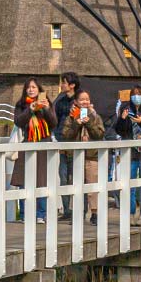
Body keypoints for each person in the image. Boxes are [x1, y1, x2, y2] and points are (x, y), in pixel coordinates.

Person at [10, 79, 55, 222]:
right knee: (24, 179)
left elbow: (53, 123)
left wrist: (46, 109)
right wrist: (30, 109)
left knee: (41, 179)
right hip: (27, 143)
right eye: (28, 87)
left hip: (43, 143)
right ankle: (24, 214)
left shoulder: (46, 103)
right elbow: (18, 121)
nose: (31, 89)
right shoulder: (21, 105)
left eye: (34, 87)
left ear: (39, 89)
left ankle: (40, 214)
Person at [59, 89, 107, 224]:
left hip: (92, 156)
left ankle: (95, 213)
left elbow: (100, 135)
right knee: (76, 186)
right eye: (82, 100)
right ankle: (78, 213)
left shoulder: (95, 116)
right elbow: (66, 135)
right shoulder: (71, 117)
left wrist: (89, 122)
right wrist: (77, 123)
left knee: (92, 186)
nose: (85, 102)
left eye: (87, 99)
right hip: (75, 156)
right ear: (76, 102)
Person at [51, 73, 81, 219]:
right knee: (63, 176)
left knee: (76, 178)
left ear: (72, 85)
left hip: (75, 144)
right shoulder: (60, 101)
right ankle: (67, 211)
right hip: (62, 143)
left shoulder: (79, 100)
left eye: (64, 82)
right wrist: (56, 137)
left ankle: (79, 210)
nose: (61, 85)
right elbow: (55, 120)